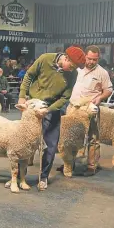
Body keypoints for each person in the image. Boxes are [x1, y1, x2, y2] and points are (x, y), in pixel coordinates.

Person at [18, 46, 85, 190]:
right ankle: (19, 176)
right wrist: (22, 96)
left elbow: (65, 97)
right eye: (71, 66)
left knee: (50, 145)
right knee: (23, 142)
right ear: (65, 58)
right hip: (33, 104)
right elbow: (29, 75)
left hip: (51, 108)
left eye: (74, 68)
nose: (71, 69)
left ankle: (43, 177)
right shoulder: (45, 58)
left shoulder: (72, 74)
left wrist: (48, 110)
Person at [69, 45, 113, 176]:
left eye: (95, 59)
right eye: (89, 58)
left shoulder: (102, 73)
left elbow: (108, 90)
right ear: (85, 56)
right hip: (74, 107)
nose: (91, 62)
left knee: (93, 137)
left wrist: (100, 97)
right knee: (72, 136)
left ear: (98, 58)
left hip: (90, 108)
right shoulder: (77, 68)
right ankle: (69, 163)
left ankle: (91, 165)